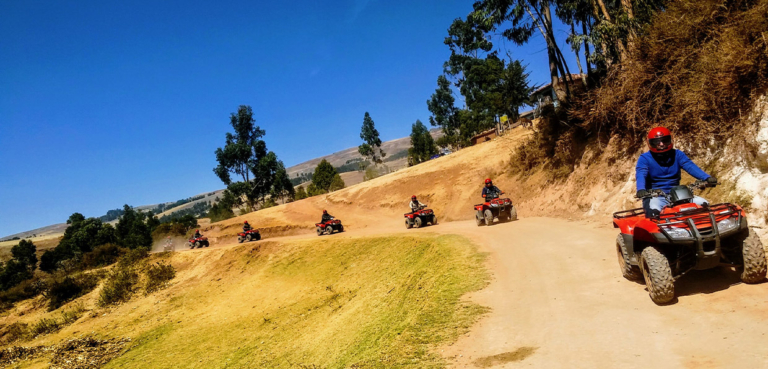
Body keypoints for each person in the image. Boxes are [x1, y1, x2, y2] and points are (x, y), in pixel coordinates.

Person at [636, 127, 717, 216]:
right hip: (655, 197)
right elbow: (641, 174)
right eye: (656, 142)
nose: (661, 144)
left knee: (703, 204)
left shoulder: (678, 154)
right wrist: (641, 190)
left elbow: (690, 166)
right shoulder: (644, 158)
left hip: (678, 195)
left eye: (665, 140)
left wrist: (707, 178)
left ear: (671, 140)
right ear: (650, 143)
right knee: (653, 213)